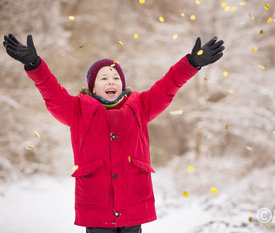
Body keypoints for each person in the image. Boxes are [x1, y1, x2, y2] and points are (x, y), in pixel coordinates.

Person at [3, 33, 224, 233]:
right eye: (104, 78)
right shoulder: (77, 110)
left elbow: (168, 86)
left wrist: (192, 64)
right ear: (92, 87)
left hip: (133, 203)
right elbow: (51, 92)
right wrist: (34, 65)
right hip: (95, 205)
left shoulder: (141, 105)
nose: (111, 81)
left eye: (116, 78)